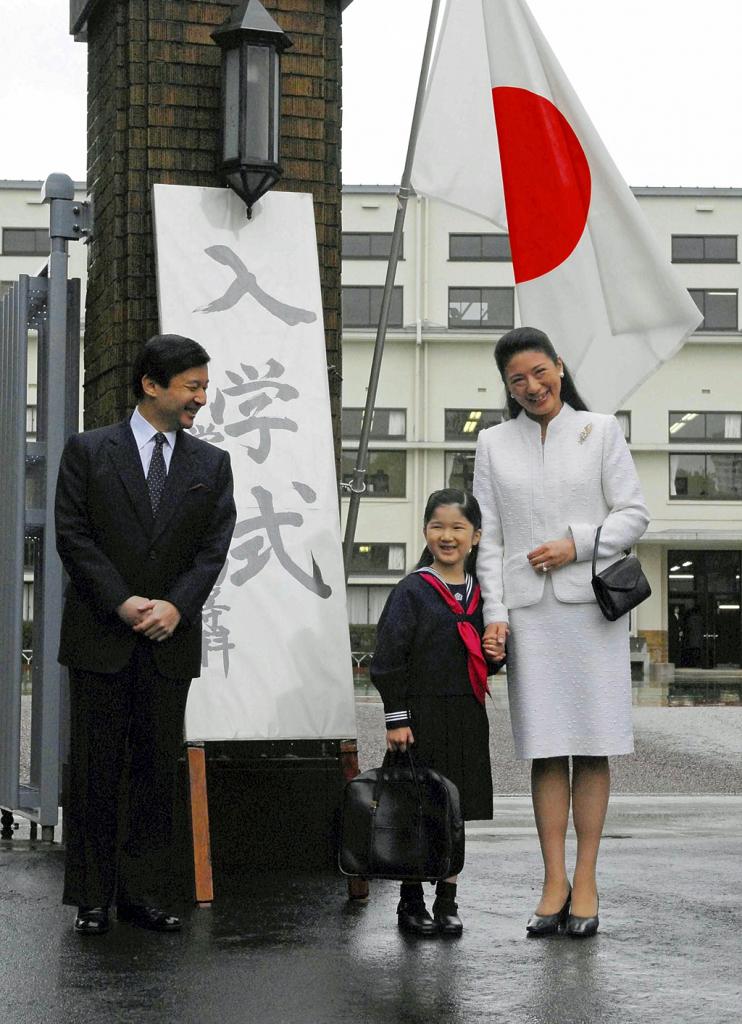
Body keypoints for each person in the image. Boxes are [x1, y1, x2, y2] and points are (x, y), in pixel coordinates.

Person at [55, 334, 236, 936]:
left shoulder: (211, 464)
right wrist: (124, 601)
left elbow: (212, 550)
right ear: (151, 386)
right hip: (101, 637)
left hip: (168, 642)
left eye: (204, 387)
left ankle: (145, 895)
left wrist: (176, 607)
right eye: (192, 386)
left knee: (157, 772)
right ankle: (91, 896)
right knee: (95, 770)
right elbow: (72, 536)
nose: (201, 399)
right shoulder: (88, 451)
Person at [473, 326, 649, 939]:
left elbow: (633, 514)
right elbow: (488, 538)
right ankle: (553, 880)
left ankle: (589, 878)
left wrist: (576, 543)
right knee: (545, 747)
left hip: (591, 611)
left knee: (592, 743)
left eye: (539, 372)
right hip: (528, 615)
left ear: (559, 367)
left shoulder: (599, 430)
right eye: (516, 379)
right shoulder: (492, 443)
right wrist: (494, 613)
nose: (531, 386)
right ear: (507, 387)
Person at [370, 489, 498, 937]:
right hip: (420, 717)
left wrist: (498, 653)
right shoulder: (412, 591)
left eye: (458, 527)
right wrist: (397, 718)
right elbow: (388, 658)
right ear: (425, 531)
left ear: (476, 536)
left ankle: (447, 899)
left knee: (454, 813)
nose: (448, 536)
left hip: (465, 715)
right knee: (416, 808)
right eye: (438, 526)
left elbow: (487, 658)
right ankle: (411, 900)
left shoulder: (484, 596)